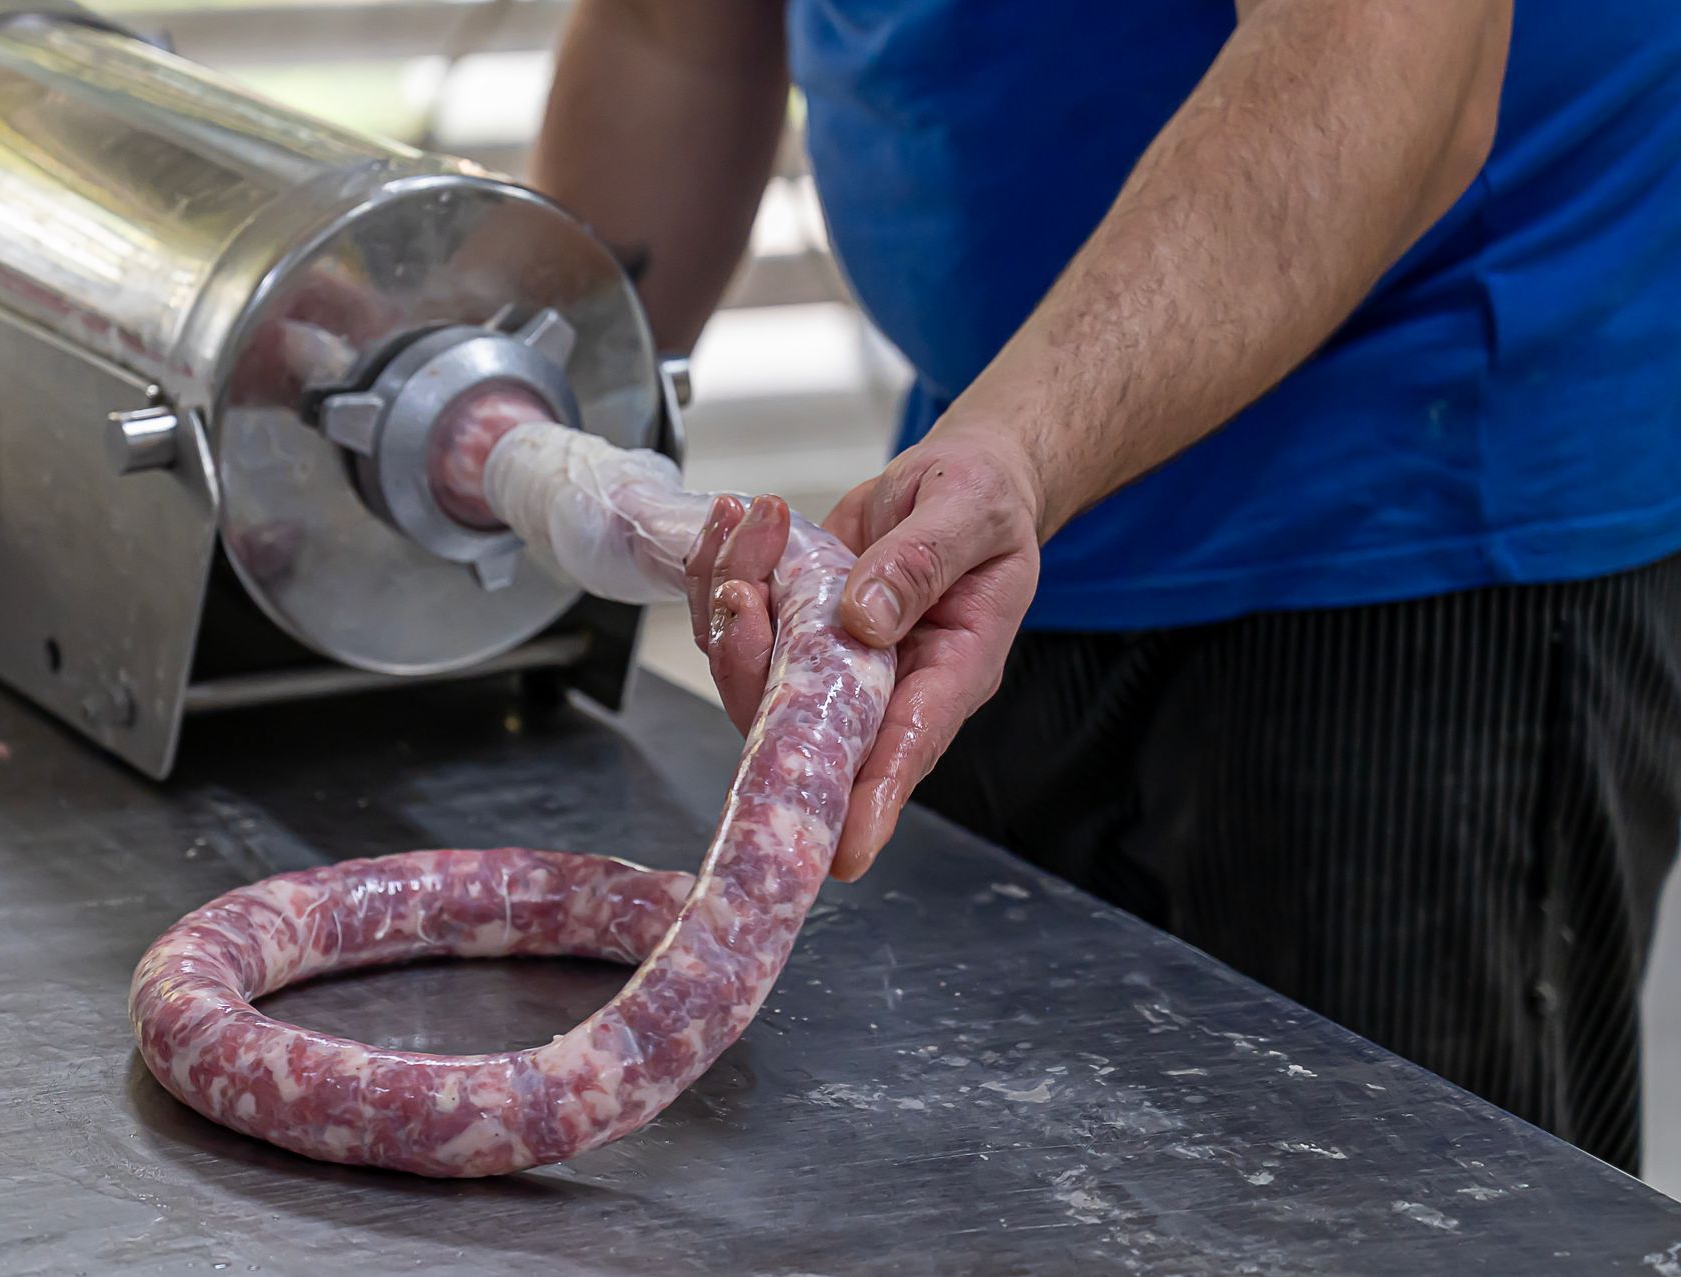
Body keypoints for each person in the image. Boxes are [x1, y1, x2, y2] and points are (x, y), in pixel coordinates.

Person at [529, 1, 1681, 1174]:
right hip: (998, 470)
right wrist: (517, 401)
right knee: (995, 1186)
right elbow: (671, 31)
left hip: (1412, 508)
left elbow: (1383, 66)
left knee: (1381, 1202)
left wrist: (1024, 449)